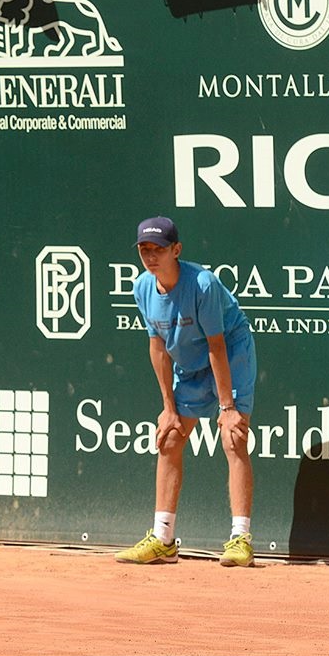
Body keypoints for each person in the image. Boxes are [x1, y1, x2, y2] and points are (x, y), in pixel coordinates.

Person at [115, 216, 257, 568]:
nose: (151, 256)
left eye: (158, 249)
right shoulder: (142, 288)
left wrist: (227, 406)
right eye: (144, 250)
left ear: (176, 250)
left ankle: (240, 540)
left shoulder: (203, 285)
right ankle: (163, 540)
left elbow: (217, 345)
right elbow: (158, 347)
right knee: (171, 437)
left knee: (234, 437)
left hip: (229, 352)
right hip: (188, 361)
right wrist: (168, 407)